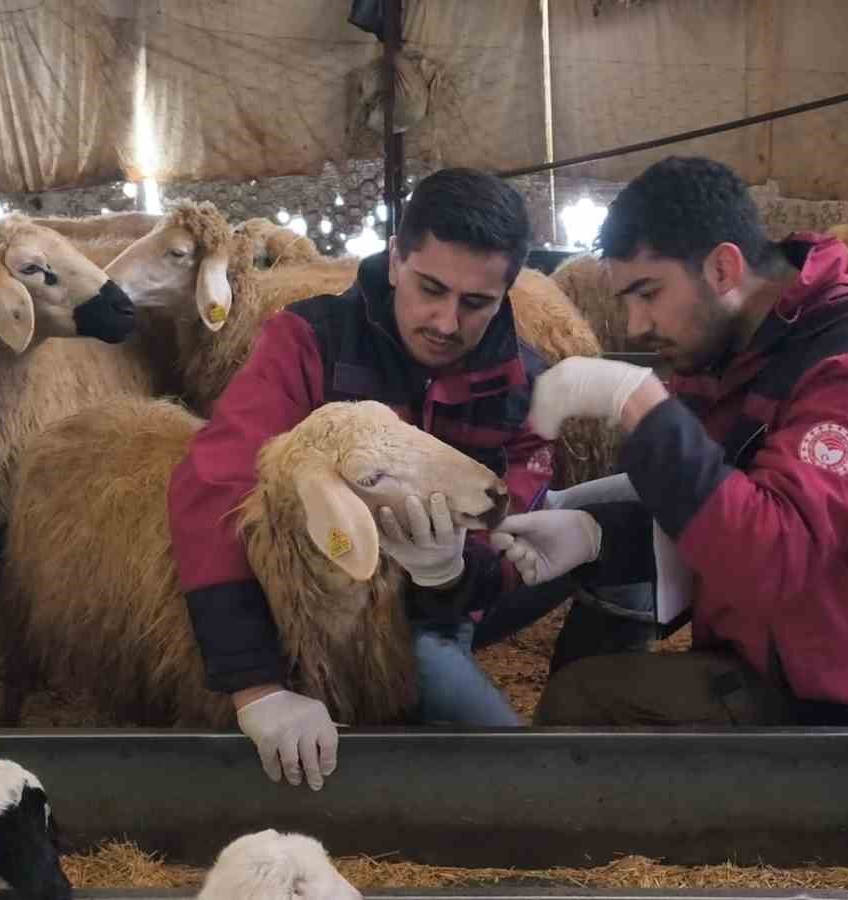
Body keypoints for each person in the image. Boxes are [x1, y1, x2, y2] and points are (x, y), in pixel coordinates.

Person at [165, 168, 649, 792]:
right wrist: (255, 687)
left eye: (475, 303)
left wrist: (453, 571)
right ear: (395, 260)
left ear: (507, 294)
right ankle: (485, 730)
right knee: (519, 774)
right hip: (369, 621)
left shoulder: (524, 385)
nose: (445, 322)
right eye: (430, 288)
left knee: (632, 504)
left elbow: (513, 525)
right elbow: (215, 483)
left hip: (456, 595)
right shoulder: (308, 341)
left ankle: (585, 702)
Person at [489, 156, 848, 728]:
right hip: (766, 662)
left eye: (648, 293)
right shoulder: (731, 353)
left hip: (847, 706)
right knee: (588, 667)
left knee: (583, 700)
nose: (634, 327)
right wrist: (595, 536)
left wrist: (642, 407)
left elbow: (771, 554)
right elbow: (716, 509)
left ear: (724, 269)